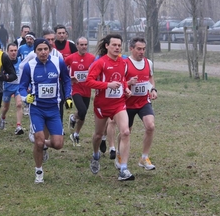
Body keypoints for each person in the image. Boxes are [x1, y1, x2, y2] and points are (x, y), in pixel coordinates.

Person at [19, 38, 71, 184]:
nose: (43, 52)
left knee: (58, 144)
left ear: (49, 50)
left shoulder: (58, 62)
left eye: (45, 49)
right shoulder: (30, 66)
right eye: (39, 50)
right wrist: (25, 97)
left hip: (54, 109)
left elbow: (66, 80)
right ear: (35, 51)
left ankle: (41, 142)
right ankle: (39, 171)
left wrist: (68, 96)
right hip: (37, 108)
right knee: (40, 142)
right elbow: (22, 86)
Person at [85, 34, 134, 181]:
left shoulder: (124, 63)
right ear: (107, 46)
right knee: (99, 135)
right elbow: (88, 81)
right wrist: (107, 85)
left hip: (119, 103)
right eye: (114, 45)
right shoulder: (100, 63)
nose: (117, 48)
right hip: (102, 105)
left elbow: (122, 79)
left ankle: (123, 169)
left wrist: (126, 88)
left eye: (119, 45)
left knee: (125, 132)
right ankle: (95, 155)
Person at [116, 37, 157, 171]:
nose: (142, 51)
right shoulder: (124, 63)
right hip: (127, 103)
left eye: (143, 49)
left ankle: (144, 157)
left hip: (143, 101)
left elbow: (150, 77)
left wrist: (153, 89)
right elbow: (118, 81)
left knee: (150, 126)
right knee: (125, 132)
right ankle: (119, 154)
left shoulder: (148, 62)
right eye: (139, 49)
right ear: (131, 49)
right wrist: (128, 84)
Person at [64, 37, 95, 147]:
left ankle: (76, 133)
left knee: (83, 113)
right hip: (76, 89)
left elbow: (97, 70)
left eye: (85, 44)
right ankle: (74, 118)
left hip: (87, 89)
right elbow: (63, 70)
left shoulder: (92, 58)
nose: (84, 47)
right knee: (82, 110)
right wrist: (69, 78)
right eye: (81, 45)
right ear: (77, 46)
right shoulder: (71, 58)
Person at [0, 43, 24, 135]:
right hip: (7, 88)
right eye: (11, 51)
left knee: (19, 104)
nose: (13, 53)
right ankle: (2, 117)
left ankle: (18, 126)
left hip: (18, 87)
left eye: (15, 50)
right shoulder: (4, 62)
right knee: (6, 107)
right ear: (7, 51)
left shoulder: (21, 60)